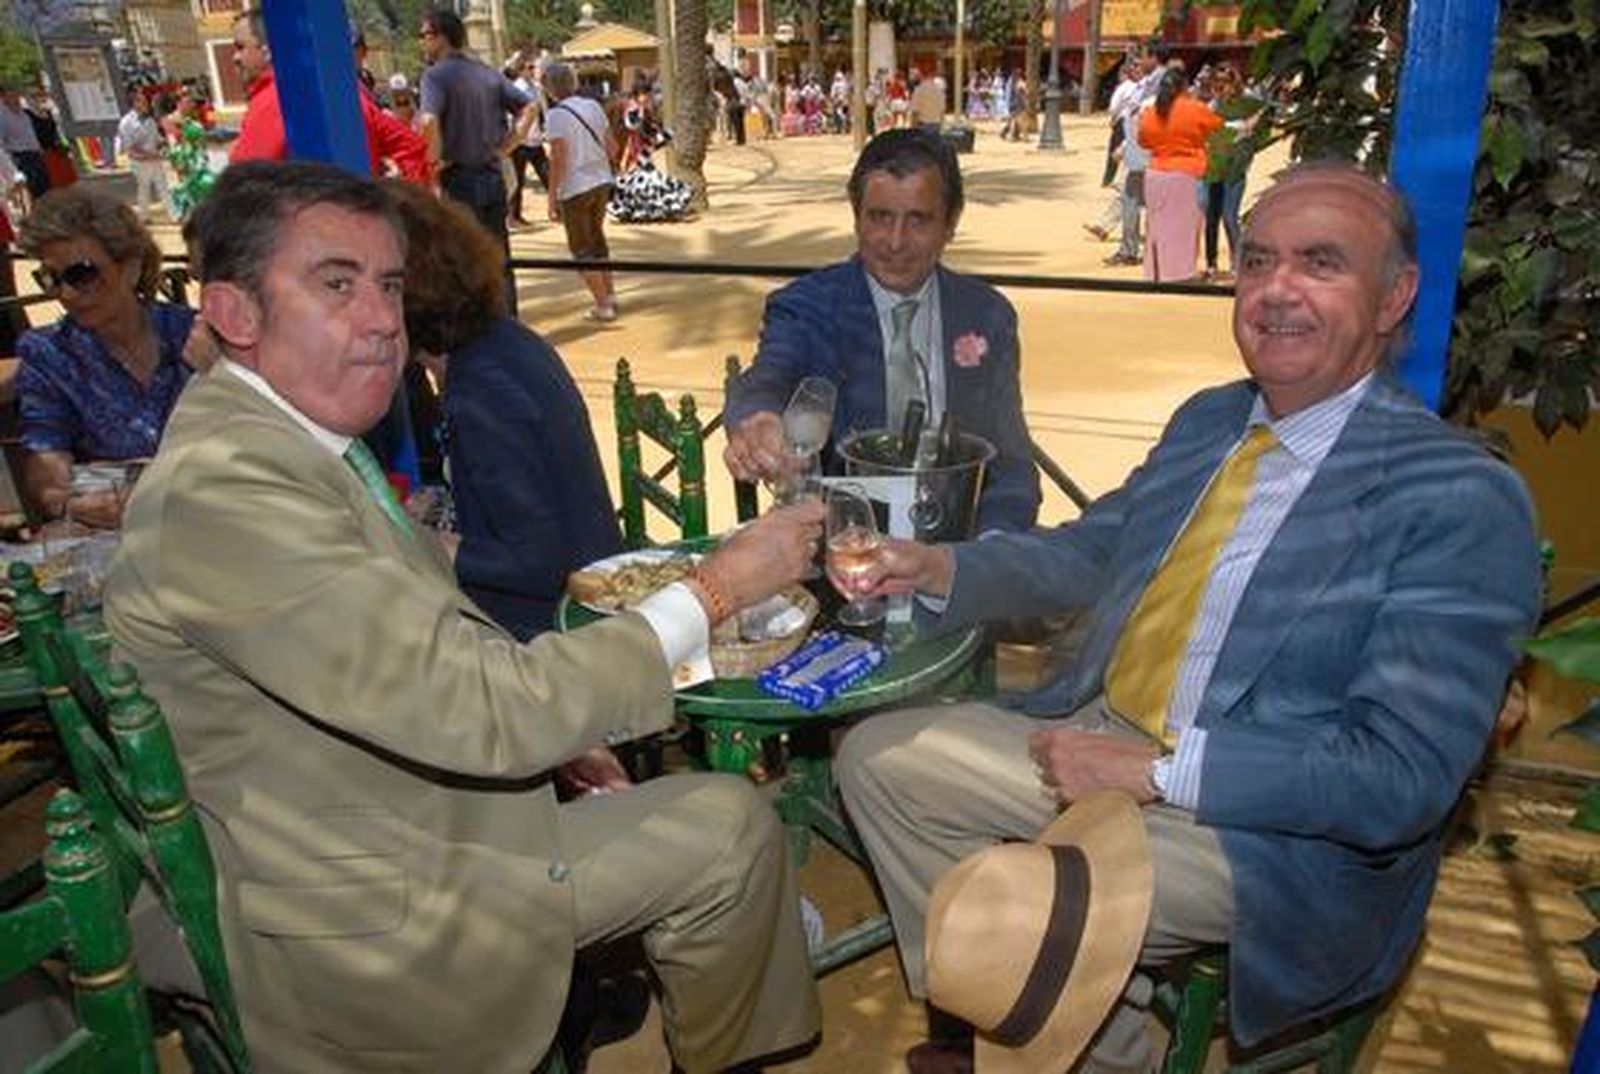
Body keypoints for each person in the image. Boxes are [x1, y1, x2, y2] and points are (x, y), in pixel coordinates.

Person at [107, 159, 823, 1074]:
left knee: (727, 824)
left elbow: (425, 638)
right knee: (733, 830)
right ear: (235, 314)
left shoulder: (287, 444)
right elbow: (482, 706)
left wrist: (561, 738)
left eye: (390, 287)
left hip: (388, 817)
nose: (380, 321)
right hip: (367, 913)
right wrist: (719, 589)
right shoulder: (229, 493)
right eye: (337, 284)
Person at [833, 165, 1543, 1073]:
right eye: (1257, 261)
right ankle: (1090, 1044)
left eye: (1321, 263)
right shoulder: (1212, 421)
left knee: (1017, 908)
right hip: (1100, 730)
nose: (1277, 290)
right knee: (879, 761)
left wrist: (1162, 772)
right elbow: (1092, 552)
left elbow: (1396, 778)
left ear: (1393, 297)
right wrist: (940, 567)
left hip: (1263, 830)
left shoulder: (1457, 498)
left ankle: (1020, 1014)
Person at [724, 129, 1041, 534]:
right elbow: (770, 375)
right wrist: (758, 419)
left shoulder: (987, 315)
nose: (895, 242)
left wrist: (990, 555)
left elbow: (1011, 463)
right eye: (880, 217)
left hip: (959, 553)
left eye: (918, 220)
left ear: (951, 224)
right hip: (844, 549)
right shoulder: (807, 307)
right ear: (856, 217)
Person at [386, 181, 621, 639]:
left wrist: (424, 545)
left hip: (552, 633)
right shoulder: (502, 341)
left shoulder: (480, 395)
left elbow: (538, 560)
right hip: (574, 599)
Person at [14, 186, 197, 526]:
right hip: (124, 535)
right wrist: (67, 503)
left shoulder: (194, 334)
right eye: (51, 279)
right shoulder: (50, 354)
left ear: (131, 266)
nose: (66, 293)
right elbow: (46, 454)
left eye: (82, 275)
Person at [418, 7, 534, 313]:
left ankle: (479, 328)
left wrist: (432, 162)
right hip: (491, 176)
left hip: (458, 179)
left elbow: (428, 121)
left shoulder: (434, 76)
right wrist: (507, 147)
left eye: (425, 35)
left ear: (441, 37)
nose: (422, 42)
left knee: (463, 259)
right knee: (499, 255)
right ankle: (508, 322)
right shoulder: (487, 73)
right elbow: (529, 107)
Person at [229, 10, 430, 185]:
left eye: (240, 47)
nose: (234, 58)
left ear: (269, 51)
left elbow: (241, 187)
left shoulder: (278, 99)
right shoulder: (346, 91)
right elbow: (414, 148)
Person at [542, 61, 618, 322]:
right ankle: (610, 294)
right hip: (601, 181)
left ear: (549, 87)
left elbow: (558, 159)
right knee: (598, 240)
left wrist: (552, 197)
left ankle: (603, 304)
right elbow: (612, 148)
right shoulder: (593, 106)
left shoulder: (555, 116)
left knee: (581, 249)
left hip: (575, 186)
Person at [1138, 66, 1222, 282]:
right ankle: (1182, 272)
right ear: (1184, 86)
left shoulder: (1150, 112)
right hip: (1186, 172)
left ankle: (1156, 271)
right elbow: (1217, 126)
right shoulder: (1195, 108)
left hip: (1156, 173)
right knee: (1185, 226)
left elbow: (1143, 141)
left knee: (1157, 226)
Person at [117, 88, 171, 223]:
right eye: (143, 102)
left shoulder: (150, 120)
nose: (147, 104)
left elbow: (157, 139)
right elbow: (129, 148)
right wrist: (149, 155)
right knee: (144, 189)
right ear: (135, 103)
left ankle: (174, 215)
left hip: (155, 160)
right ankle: (144, 217)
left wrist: (164, 144)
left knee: (163, 187)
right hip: (140, 163)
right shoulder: (126, 123)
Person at [0, 86, 47, 201]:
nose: (15, 99)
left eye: (16, 96)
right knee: (33, 191)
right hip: (21, 157)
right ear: (4, 98)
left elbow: (32, 133)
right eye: (11, 96)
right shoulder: (3, 117)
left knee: (44, 187)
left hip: (35, 154)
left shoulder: (24, 114)